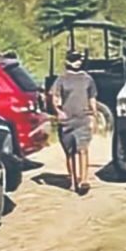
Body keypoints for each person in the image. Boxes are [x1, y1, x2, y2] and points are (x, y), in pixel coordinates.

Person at [49, 51, 97, 195]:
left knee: (83, 149)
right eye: (74, 59)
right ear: (68, 61)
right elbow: (54, 96)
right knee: (70, 152)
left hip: (83, 118)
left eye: (79, 59)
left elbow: (92, 98)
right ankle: (73, 180)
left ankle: (84, 180)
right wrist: (58, 111)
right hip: (67, 120)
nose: (77, 62)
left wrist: (93, 116)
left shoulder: (87, 79)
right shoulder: (61, 79)